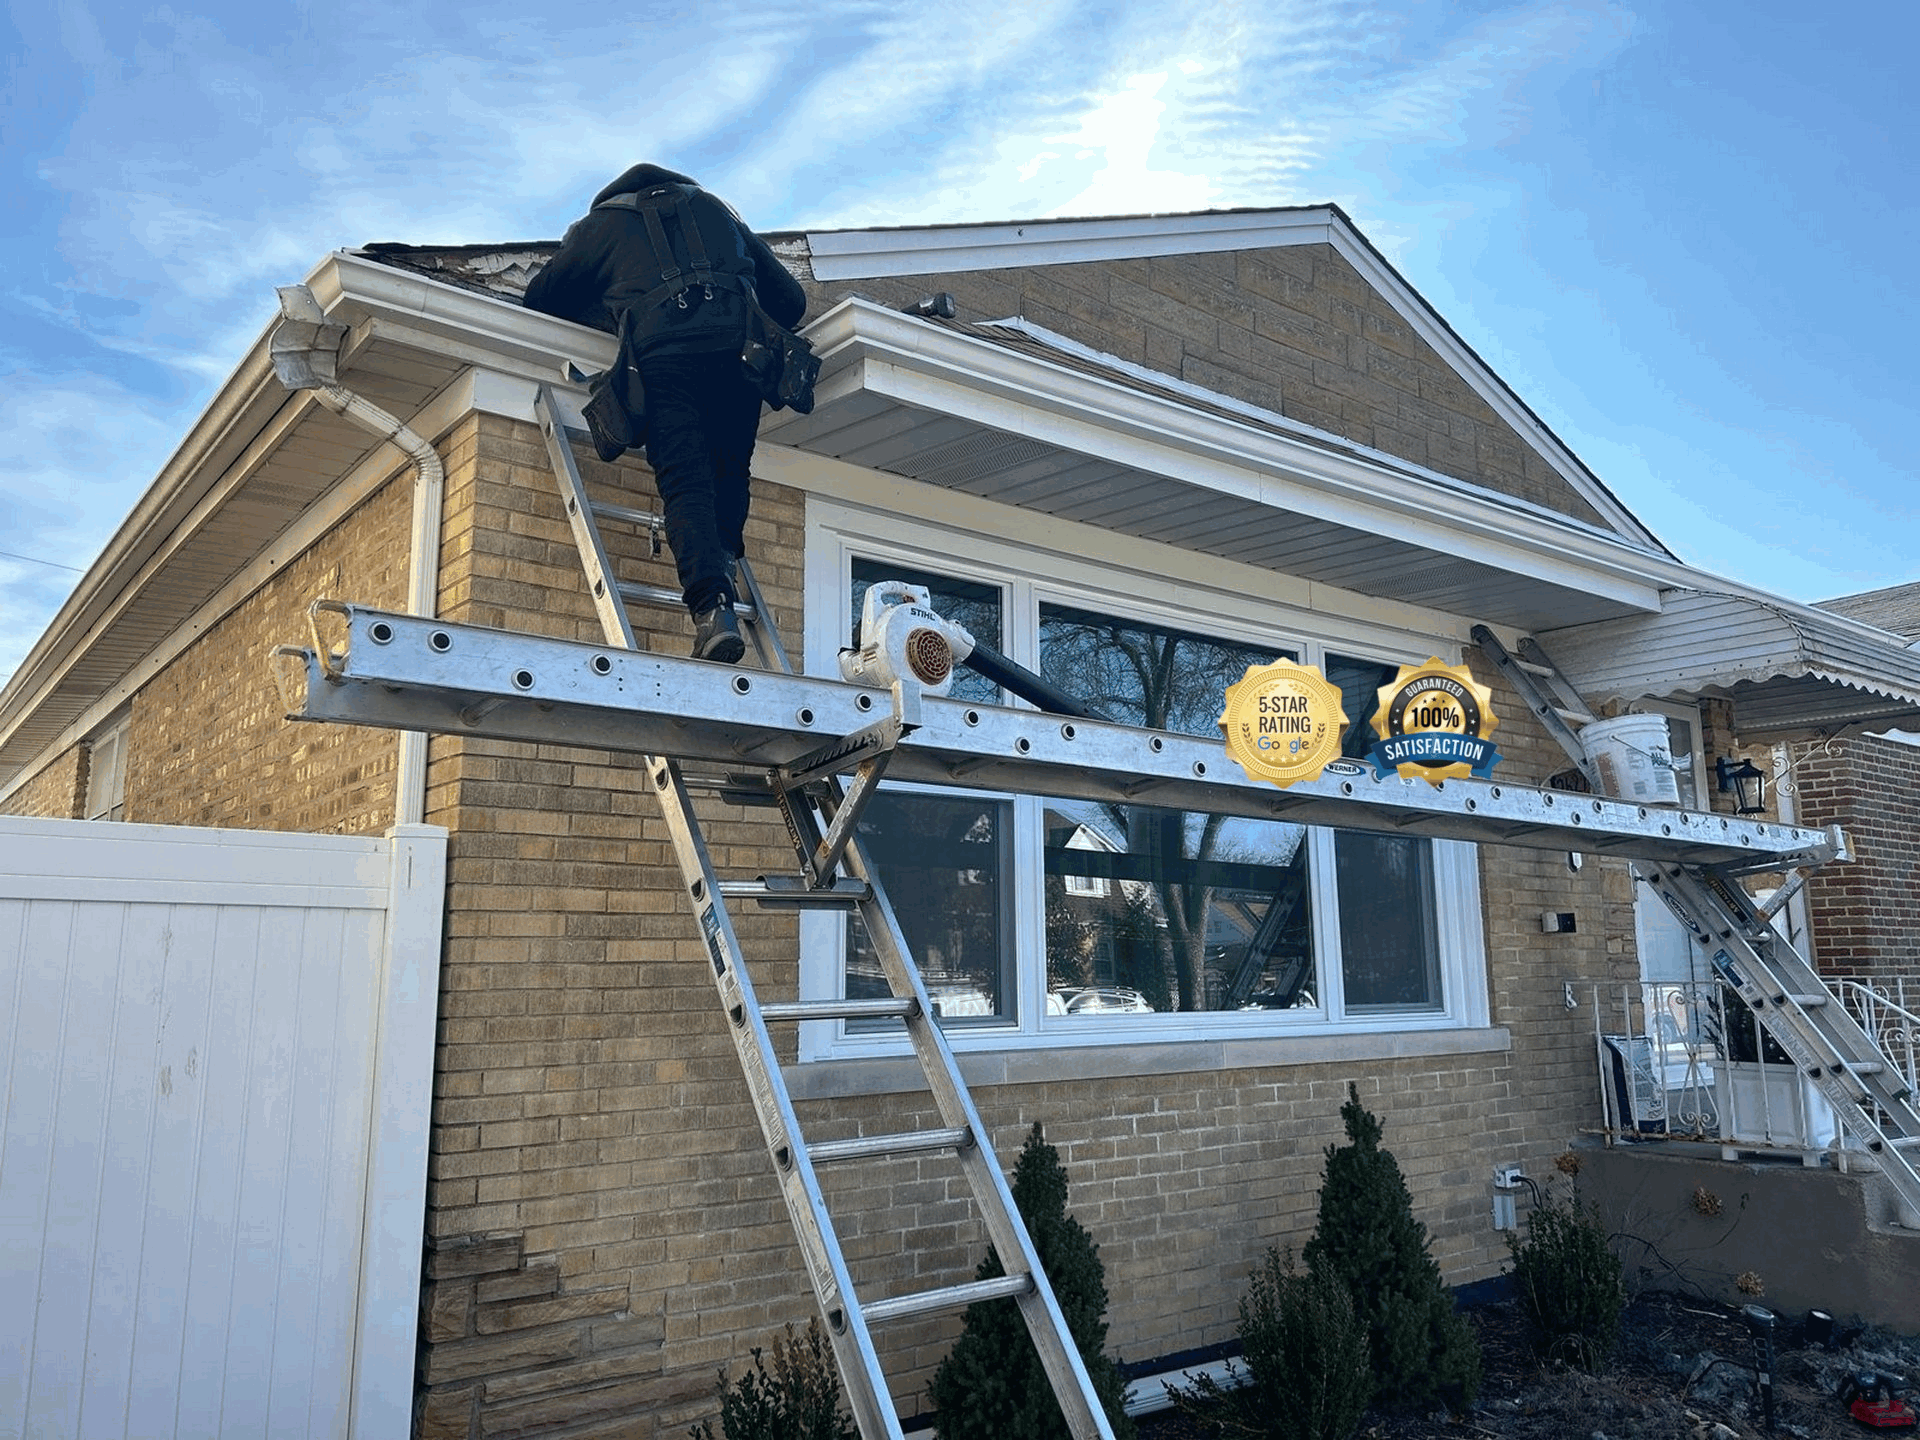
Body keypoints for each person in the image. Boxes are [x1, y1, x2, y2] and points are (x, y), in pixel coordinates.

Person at [523, 163, 808, 663]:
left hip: (666, 359)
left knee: (686, 481)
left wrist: (612, 304)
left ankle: (713, 610)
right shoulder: (718, 211)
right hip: (739, 353)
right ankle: (720, 568)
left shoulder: (601, 227)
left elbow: (541, 298)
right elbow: (791, 300)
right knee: (729, 470)